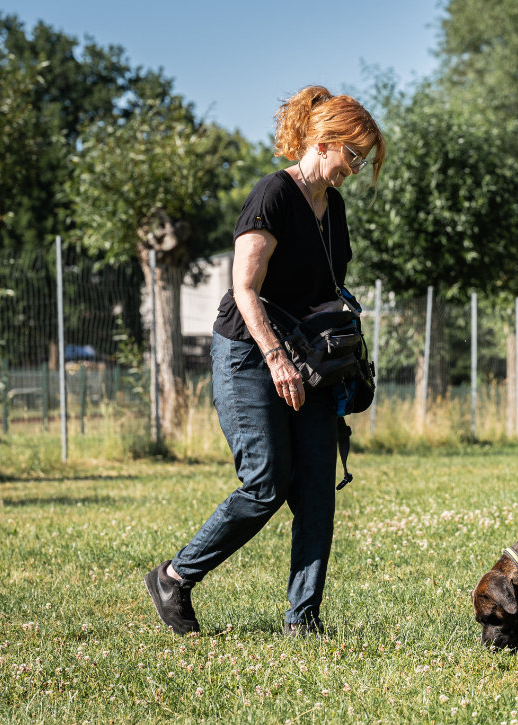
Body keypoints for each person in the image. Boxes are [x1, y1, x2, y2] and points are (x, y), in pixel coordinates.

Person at [144, 85, 385, 636]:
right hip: (251, 354)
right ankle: (176, 577)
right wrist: (277, 358)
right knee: (265, 481)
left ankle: (303, 619)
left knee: (318, 488)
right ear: (326, 142)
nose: (357, 165)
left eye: (364, 157)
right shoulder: (273, 195)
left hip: (310, 358)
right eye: (355, 153)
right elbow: (245, 288)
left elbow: (326, 288)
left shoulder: (335, 207)